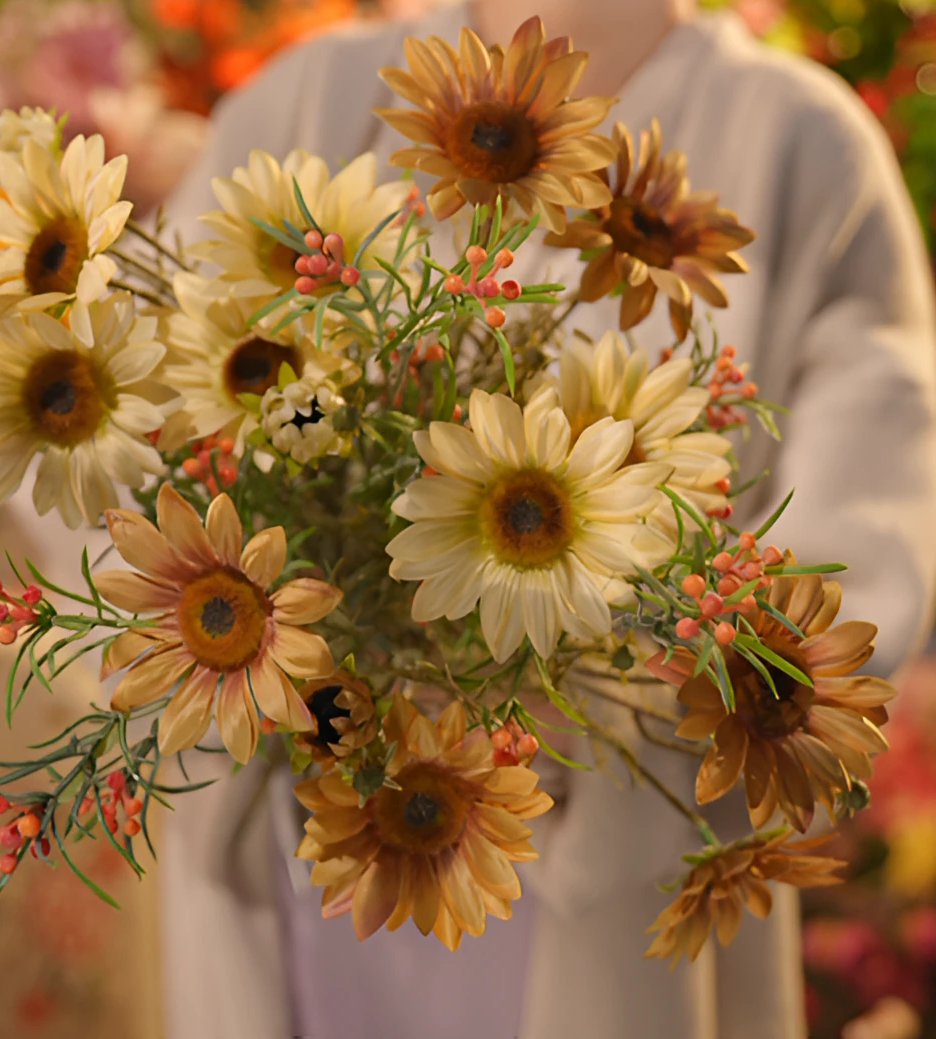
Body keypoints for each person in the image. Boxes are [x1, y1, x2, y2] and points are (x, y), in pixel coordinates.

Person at [153, 1, 936, 1037]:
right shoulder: (309, 104)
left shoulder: (792, 139)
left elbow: (868, 538)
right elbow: (139, 433)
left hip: (620, 861)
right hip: (311, 843)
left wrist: (627, 683)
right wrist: (280, 669)